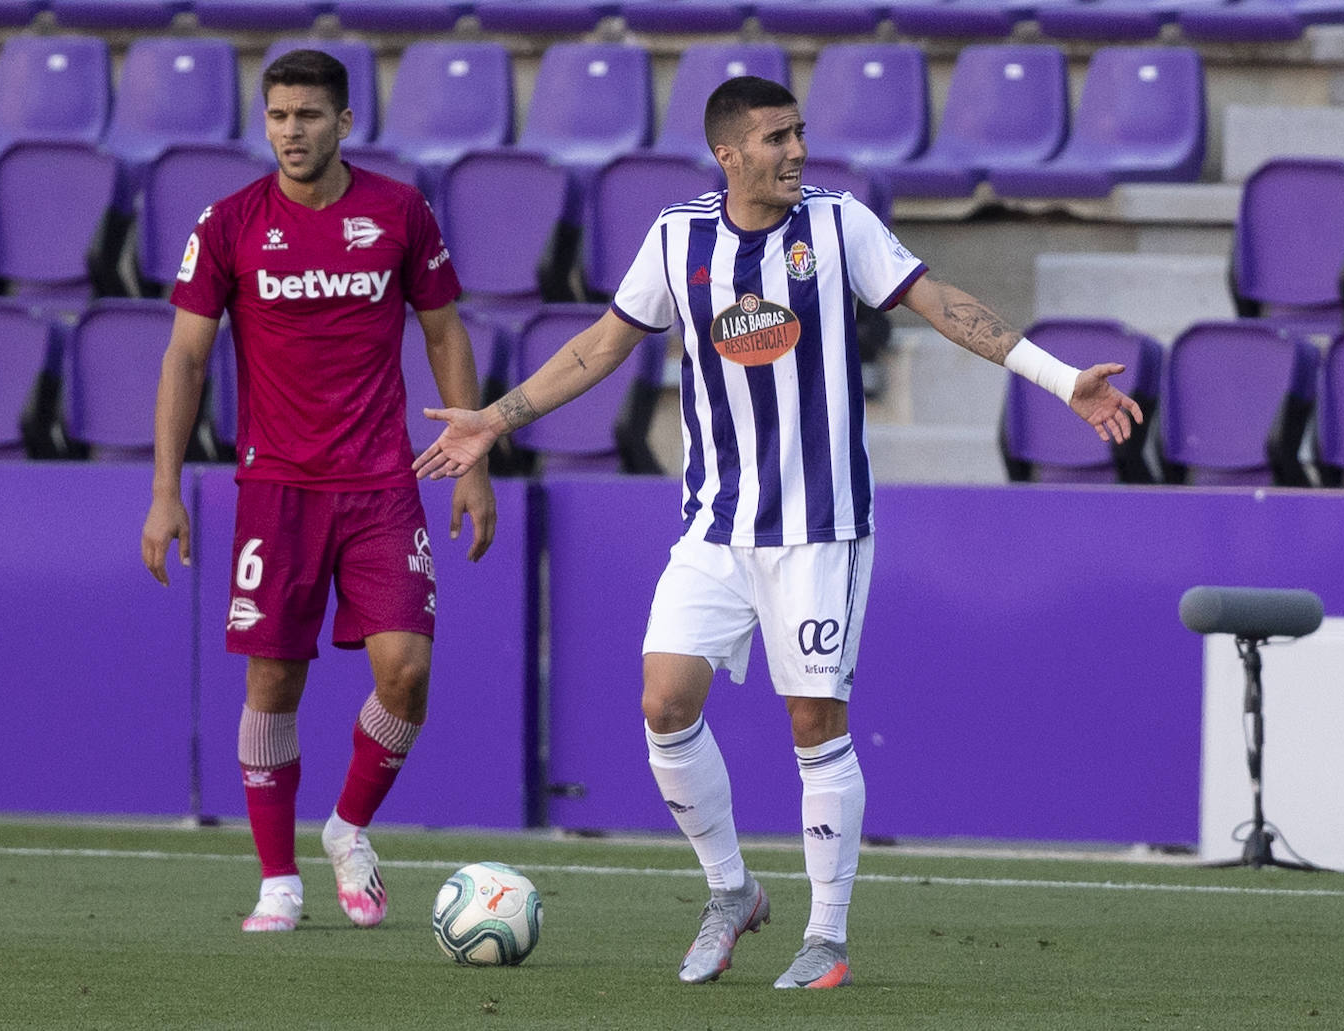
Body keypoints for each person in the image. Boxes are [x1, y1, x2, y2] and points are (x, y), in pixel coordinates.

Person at [413, 76, 1142, 988]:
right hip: (715, 524)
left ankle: (826, 935)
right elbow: (600, 345)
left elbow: (940, 303)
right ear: (729, 155)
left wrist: (1060, 377)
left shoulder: (839, 226)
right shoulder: (679, 237)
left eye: (800, 132)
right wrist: (496, 417)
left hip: (820, 525)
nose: (797, 150)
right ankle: (733, 891)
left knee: (814, 724)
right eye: (776, 138)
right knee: (663, 704)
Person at [140, 49, 496, 933]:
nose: (290, 131)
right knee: (273, 681)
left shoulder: (397, 211)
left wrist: (473, 457)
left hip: (381, 482)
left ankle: (347, 826)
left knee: (407, 673)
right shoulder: (228, 224)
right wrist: (164, 488)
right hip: (277, 486)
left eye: (307, 115)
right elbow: (186, 356)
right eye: (276, 116)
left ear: (344, 122)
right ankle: (277, 880)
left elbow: (445, 332)